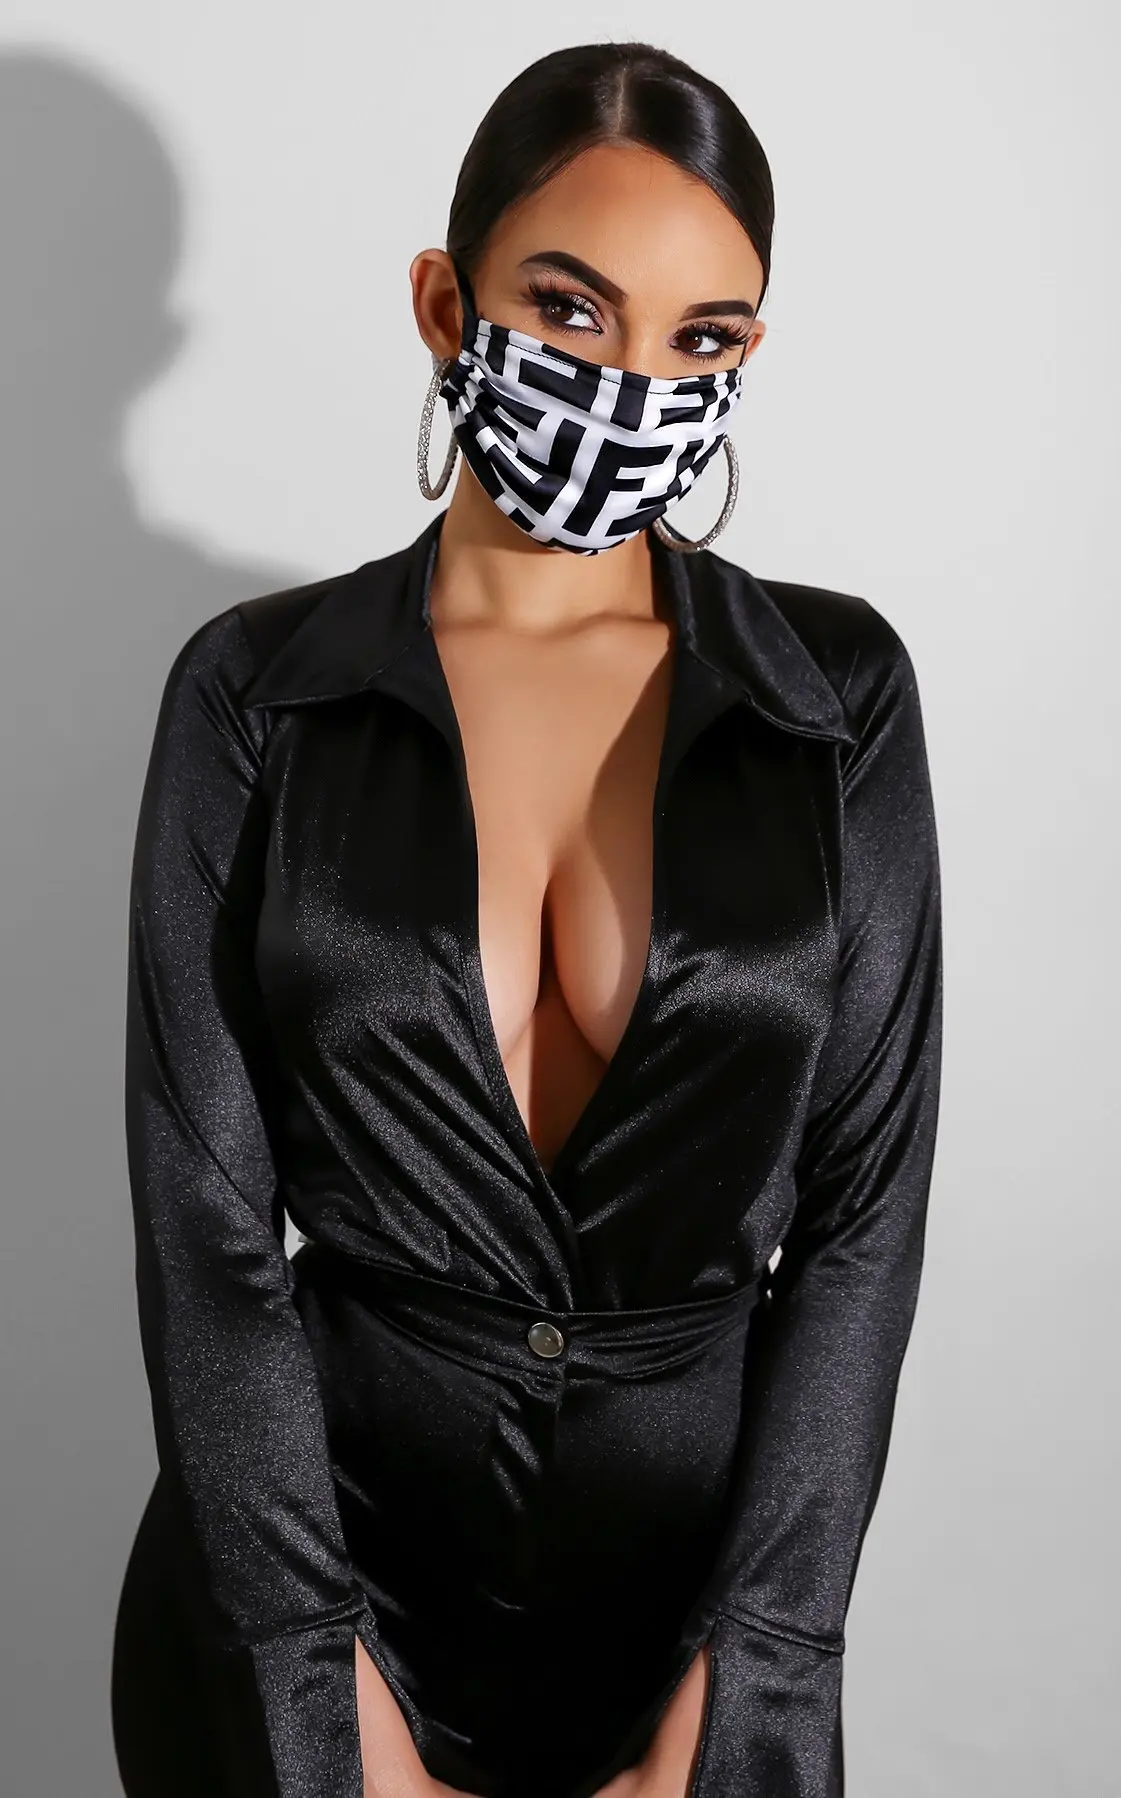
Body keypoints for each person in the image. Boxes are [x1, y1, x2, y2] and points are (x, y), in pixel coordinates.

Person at [110, 39, 943, 1798]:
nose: (633, 388)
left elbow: (862, 1227)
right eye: (570, 310)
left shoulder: (838, 699)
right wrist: (324, 1708)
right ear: (445, 304)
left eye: (701, 340)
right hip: (309, 1608)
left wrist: (755, 1670)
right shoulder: (254, 696)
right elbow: (207, 1229)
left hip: (691, 1648)